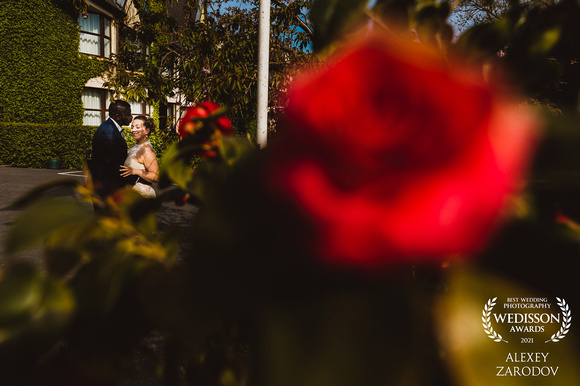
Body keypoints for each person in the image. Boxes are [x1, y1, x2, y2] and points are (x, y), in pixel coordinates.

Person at [89, 100, 133, 199]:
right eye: (128, 114)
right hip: (108, 189)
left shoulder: (111, 128)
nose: (131, 117)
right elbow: (111, 165)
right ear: (118, 116)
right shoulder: (108, 133)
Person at [120, 115, 159, 198]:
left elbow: (156, 177)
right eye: (132, 127)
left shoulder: (147, 150)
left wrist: (136, 171)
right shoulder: (136, 145)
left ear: (147, 131)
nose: (133, 130)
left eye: (137, 127)